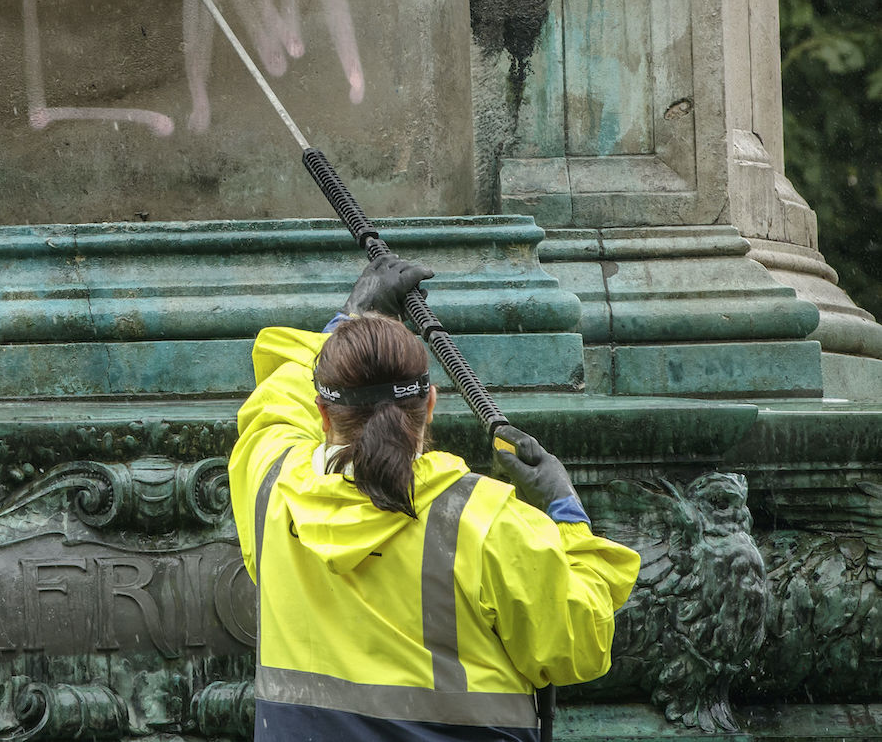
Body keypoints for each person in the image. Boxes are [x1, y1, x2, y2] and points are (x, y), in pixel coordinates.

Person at [229, 253, 641, 741]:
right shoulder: (484, 521)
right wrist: (566, 512)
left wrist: (349, 320)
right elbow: (578, 644)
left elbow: (276, 405)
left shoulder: (273, 485)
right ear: (430, 403)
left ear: (322, 412)